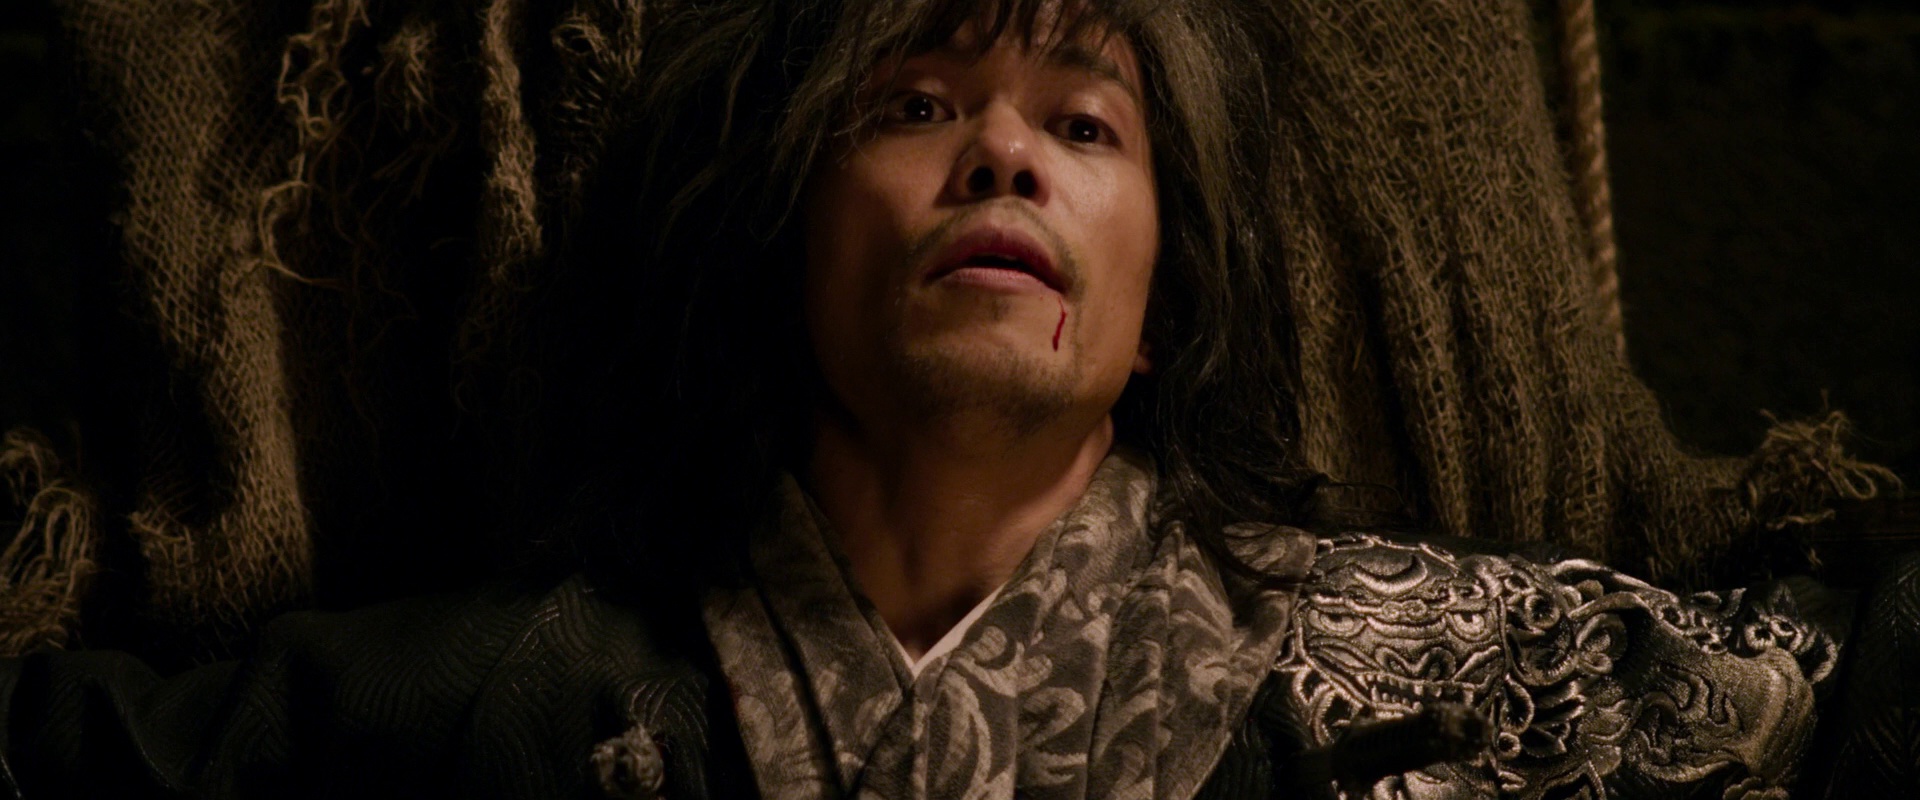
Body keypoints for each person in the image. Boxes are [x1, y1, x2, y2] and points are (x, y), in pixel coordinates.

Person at [0, 0, 1861, 798]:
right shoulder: (524, 699)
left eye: (1085, 125)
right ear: (787, 247)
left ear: (1156, 310)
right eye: (911, 107)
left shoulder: (1388, 670)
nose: (1002, 153)